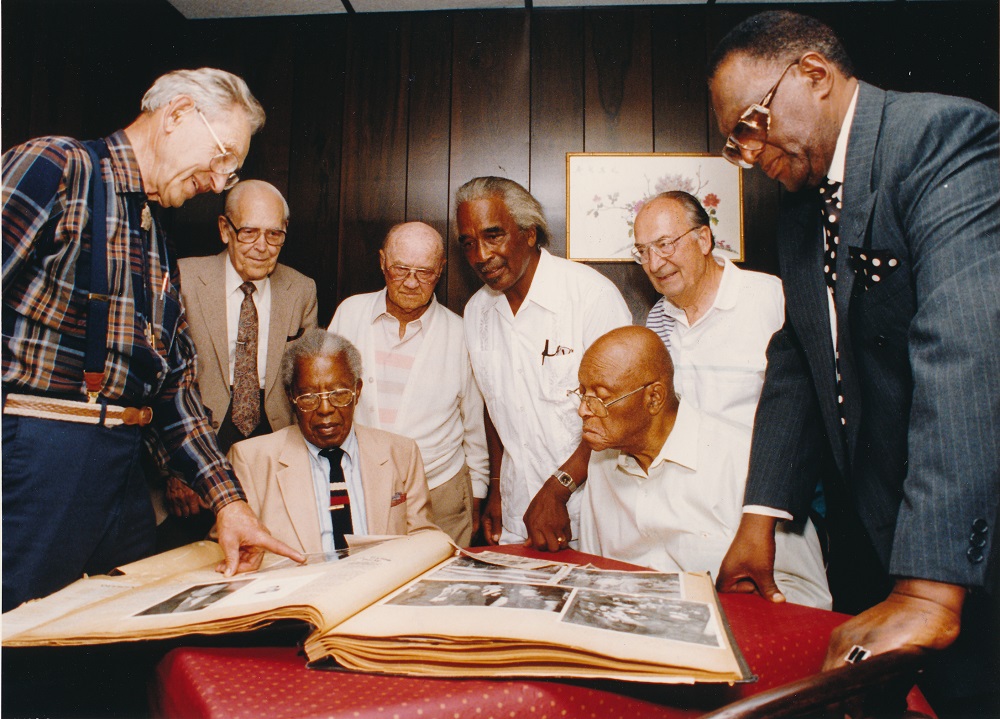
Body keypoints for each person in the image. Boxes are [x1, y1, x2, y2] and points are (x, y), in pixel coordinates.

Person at [706, 9, 998, 706]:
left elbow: (966, 344)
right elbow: (800, 359)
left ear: (814, 74)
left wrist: (928, 584)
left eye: (749, 126)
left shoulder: (942, 138)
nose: (748, 154)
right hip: (871, 541)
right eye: (733, 143)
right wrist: (759, 515)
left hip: (960, 550)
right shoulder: (804, 204)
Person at [2, 68, 303, 613]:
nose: (218, 182)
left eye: (232, 171)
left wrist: (229, 504)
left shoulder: (153, 236)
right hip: (40, 455)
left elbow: (174, 392)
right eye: (221, 158)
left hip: (123, 472)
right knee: (25, 649)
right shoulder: (57, 167)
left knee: (122, 648)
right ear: (178, 114)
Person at [576, 326, 830, 609]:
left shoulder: (749, 462)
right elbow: (593, 571)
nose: (584, 410)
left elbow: (810, 596)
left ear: (654, 398)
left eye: (600, 397)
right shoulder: (602, 461)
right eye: (581, 393)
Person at [456, 176, 632, 550]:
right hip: (519, 512)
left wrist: (559, 490)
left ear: (529, 234)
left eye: (493, 236)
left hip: (593, 510)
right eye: (468, 243)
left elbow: (619, 412)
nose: (481, 256)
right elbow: (493, 407)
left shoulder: (590, 296)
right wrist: (499, 492)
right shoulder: (476, 313)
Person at [157, 180, 317, 545]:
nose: (262, 247)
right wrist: (173, 469)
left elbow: (303, 381)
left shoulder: (301, 289)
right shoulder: (183, 279)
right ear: (224, 230)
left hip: (271, 445)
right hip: (199, 439)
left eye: (274, 235)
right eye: (249, 233)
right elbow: (157, 381)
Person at [328, 221, 488, 546]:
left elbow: (474, 423)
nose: (412, 283)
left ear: (441, 270)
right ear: (383, 262)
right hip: (359, 484)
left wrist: (478, 492)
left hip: (440, 489)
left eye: (424, 272)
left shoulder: (460, 333)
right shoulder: (350, 313)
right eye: (401, 269)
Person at [226, 329, 437, 555]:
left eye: (339, 394)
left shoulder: (401, 453)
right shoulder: (250, 460)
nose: (325, 409)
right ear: (291, 397)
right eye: (309, 397)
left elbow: (423, 539)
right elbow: (230, 545)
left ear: (357, 391)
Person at [635, 191, 783, 428]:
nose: (654, 264)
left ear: (703, 239)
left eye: (664, 245)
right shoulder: (658, 319)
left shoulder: (771, 298)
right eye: (643, 252)